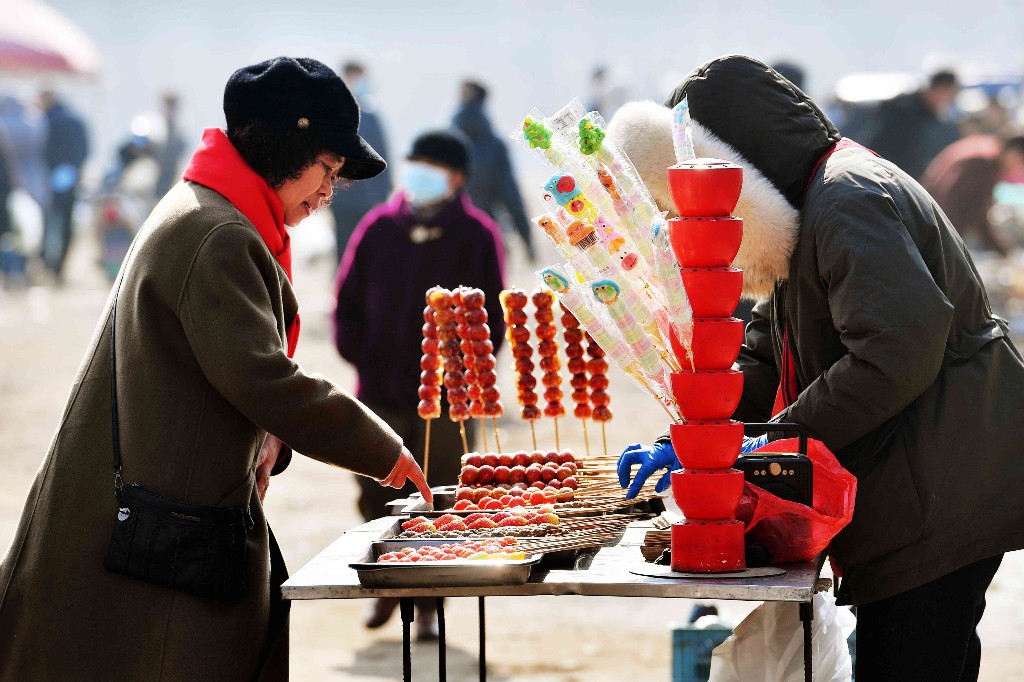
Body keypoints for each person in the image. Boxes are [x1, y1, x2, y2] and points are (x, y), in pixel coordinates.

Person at [0, 56, 431, 681]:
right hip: (153, 536)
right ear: (287, 146)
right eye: (328, 170)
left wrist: (270, 441)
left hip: (158, 514)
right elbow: (263, 379)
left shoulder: (210, 208)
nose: (328, 192)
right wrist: (384, 450)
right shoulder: (217, 233)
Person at [609, 55, 1024, 681]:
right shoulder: (805, 213)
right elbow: (766, 351)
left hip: (939, 490)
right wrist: (695, 440)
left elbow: (896, 350)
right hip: (921, 485)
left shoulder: (846, 199)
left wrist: (772, 440)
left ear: (745, 168)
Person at [333, 129, 506, 638]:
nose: (419, 174)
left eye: (433, 166)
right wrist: (362, 352)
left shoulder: (477, 234)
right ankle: (391, 587)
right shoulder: (378, 227)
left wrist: (464, 367)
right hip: (380, 391)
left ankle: (430, 600)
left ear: (457, 178)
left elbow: (492, 316)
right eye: (416, 163)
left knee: (441, 496)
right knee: (374, 492)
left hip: (450, 399)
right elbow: (347, 301)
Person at [452, 79, 535, 262]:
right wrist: (526, 239)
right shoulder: (495, 145)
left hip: (450, 237)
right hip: (488, 236)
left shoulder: (447, 143)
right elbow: (511, 195)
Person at [329, 60, 392, 262]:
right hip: (341, 198)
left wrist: (383, 197)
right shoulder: (334, 115)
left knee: (369, 251)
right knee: (344, 250)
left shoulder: (371, 117)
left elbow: (383, 157)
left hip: (368, 199)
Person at [921, 133, 1024, 257]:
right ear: (1013, 153)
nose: (1018, 169)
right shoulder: (984, 163)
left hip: (929, 210)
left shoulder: (985, 148)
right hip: (934, 220)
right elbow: (957, 201)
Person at [860, 69, 961, 180]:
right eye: (948, 93)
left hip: (907, 179)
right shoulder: (902, 109)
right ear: (939, 89)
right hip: (885, 174)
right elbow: (883, 143)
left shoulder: (936, 118)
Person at [39, 90, 89, 281]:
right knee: (67, 223)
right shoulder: (76, 120)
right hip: (72, 177)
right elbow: (85, 149)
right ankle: (60, 265)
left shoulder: (44, 121)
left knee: (48, 222)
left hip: (47, 179)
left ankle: (47, 263)